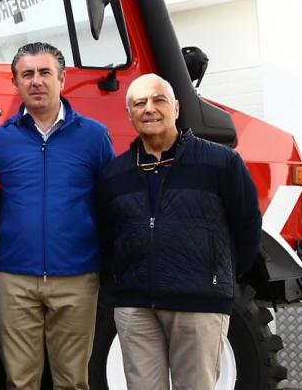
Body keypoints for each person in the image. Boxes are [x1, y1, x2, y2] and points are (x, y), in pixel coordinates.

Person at [96, 73, 261, 390]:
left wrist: (217, 276)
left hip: (198, 302)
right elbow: (107, 234)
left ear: (176, 107)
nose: (149, 109)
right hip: (136, 307)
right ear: (129, 113)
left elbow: (247, 226)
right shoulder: (113, 174)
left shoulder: (221, 163)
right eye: (139, 103)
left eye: (158, 100)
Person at [0, 42, 115, 390]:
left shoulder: (94, 136)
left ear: (62, 79)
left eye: (45, 73)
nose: (36, 81)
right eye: (27, 74)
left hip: (77, 276)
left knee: (73, 382)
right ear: (16, 83)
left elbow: (110, 203)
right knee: (19, 381)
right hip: (15, 278)